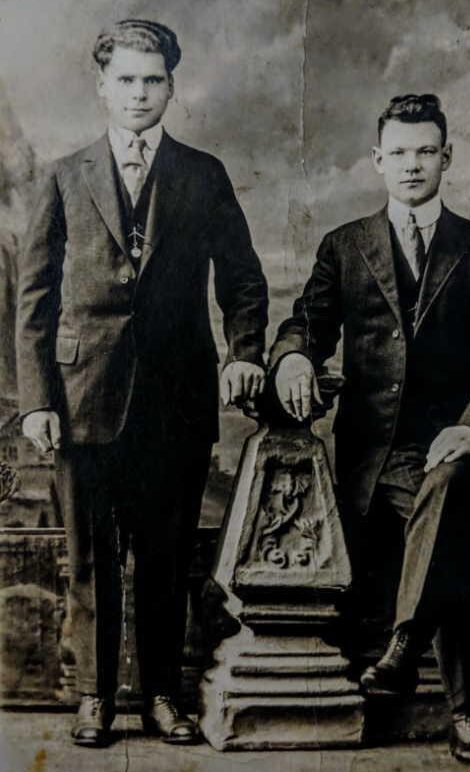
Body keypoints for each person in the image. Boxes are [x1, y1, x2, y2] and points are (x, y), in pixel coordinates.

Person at [16, 19, 268, 747]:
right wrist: (36, 399)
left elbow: (245, 281)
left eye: (152, 79)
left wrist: (246, 350)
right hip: (81, 398)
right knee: (90, 560)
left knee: (164, 555)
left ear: (171, 86)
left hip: (177, 400)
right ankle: (95, 698)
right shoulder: (63, 176)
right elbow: (31, 300)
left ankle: (163, 695)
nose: (139, 93)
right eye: (125, 79)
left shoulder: (203, 174)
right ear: (103, 86)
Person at [270, 94, 470, 768]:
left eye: (426, 152)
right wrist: (296, 354)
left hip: (469, 448)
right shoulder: (345, 245)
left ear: (446, 158)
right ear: (378, 160)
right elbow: (306, 322)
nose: (413, 164)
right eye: (400, 152)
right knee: (442, 525)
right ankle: (463, 713)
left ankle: (407, 650)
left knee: (443, 493)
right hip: (376, 449)